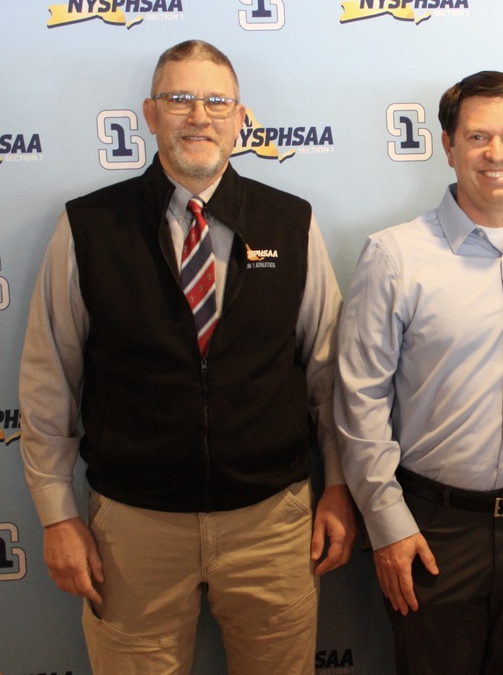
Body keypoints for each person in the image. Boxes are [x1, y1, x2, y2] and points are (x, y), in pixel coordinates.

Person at [19, 39, 356, 674]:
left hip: (271, 526)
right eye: (179, 99)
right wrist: (55, 516)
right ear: (150, 115)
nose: (198, 115)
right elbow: (48, 382)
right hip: (133, 531)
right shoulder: (88, 228)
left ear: (239, 118)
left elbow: (327, 376)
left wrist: (338, 483)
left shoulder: (291, 224)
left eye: (216, 101)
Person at [335, 70, 503, 674]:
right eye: (477, 138)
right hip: (431, 532)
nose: (496, 154)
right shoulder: (393, 255)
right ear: (447, 146)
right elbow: (359, 401)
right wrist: (388, 525)